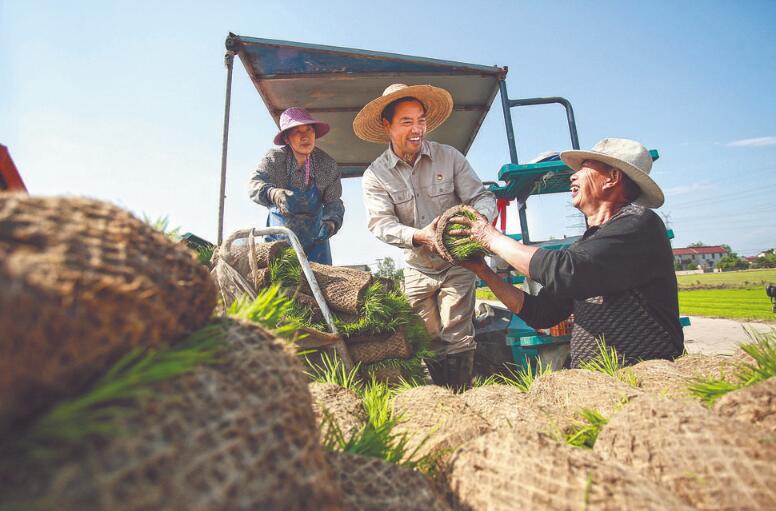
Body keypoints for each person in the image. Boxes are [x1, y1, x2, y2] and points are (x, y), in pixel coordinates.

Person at [451, 138, 683, 367]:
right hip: (597, 382)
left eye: (583, 169)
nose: (573, 175)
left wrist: (490, 237)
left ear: (612, 178)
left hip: (643, 378)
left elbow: (566, 270)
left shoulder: (638, 224)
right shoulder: (589, 244)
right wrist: (483, 271)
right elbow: (543, 313)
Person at [355, 83, 497, 389]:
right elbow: (380, 223)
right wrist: (420, 236)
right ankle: (441, 401)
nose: (417, 129)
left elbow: (482, 197)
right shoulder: (376, 175)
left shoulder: (450, 158)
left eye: (421, 120)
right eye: (406, 122)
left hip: (458, 263)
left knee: (457, 330)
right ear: (387, 126)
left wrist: (479, 221)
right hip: (417, 267)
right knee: (428, 336)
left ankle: (463, 397)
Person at [248, 107, 344, 264]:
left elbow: (334, 202)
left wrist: (331, 222)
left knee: (318, 287)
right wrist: (273, 193)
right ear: (286, 138)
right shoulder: (275, 159)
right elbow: (254, 183)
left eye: (308, 130)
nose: (305, 136)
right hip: (279, 241)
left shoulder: (327, 165)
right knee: (278, 285)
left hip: (316, 243)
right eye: (297, 132)